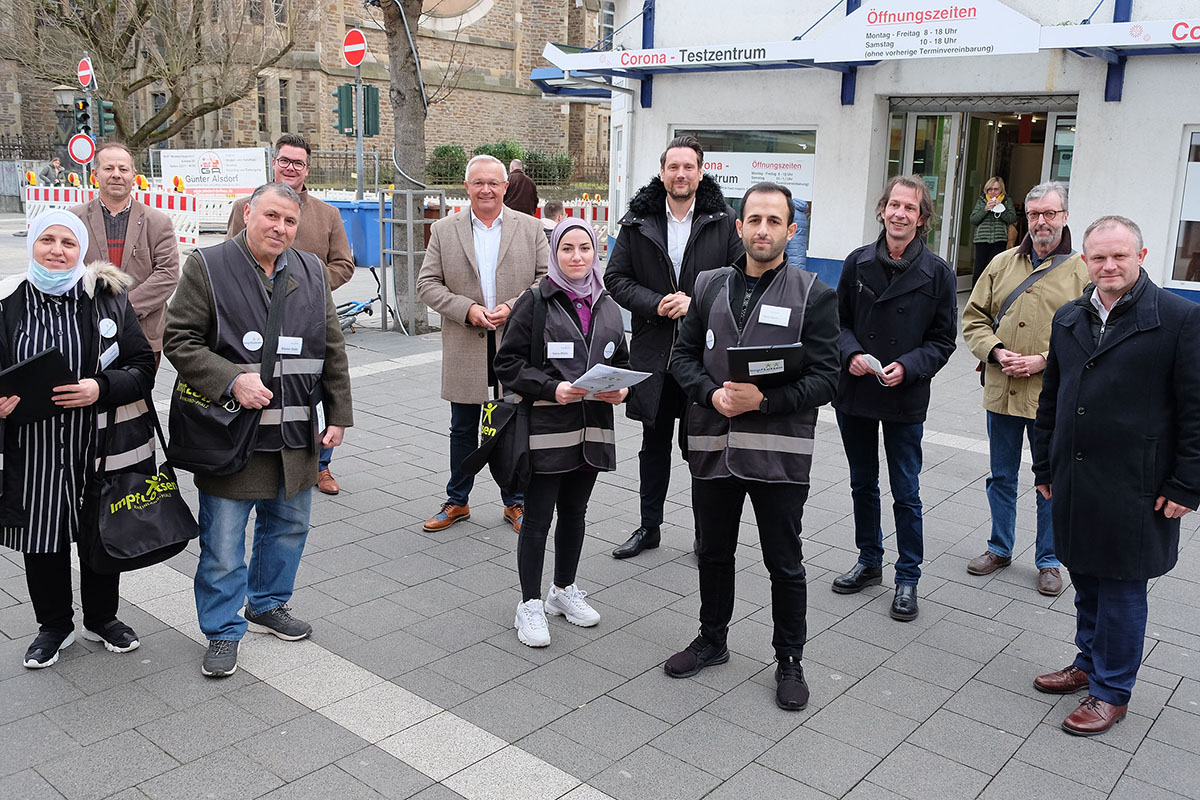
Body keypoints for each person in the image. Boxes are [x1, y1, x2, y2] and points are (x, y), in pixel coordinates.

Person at [163, 182, 353, 678]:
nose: (280, 228)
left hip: (294, 435)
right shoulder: (208, 266)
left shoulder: (311, 270)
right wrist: (231, 380)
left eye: (290, 221)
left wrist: (337, 414)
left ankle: (267, 603)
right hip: (231, 435)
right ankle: (223, 630)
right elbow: (178, 339)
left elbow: (332, 348)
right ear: (249, 213)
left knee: (288, 528)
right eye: (271, 216)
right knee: (224, 544)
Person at [663, 182, 838, 710]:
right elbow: (681, 358)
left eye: (774, 221)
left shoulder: (815, 295)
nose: (763, 230)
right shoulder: (710, 285)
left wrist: (761, 401)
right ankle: (712, 639)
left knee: (784, 561)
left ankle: (789, 658)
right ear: (739, 228)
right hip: (712, 445)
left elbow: (828, 380)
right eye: (754, 220)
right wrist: (711, 394)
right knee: (713, 552)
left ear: (791, 229)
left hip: (778, 454)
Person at [1031, 215, 1200, 736]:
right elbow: (1051, 400)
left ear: (1141, 257)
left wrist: (1187, 484)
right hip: (1076, 477)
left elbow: (1195, 409)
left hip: (1139, 484)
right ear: (1084, 259)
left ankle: (1112, 691)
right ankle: (1087, 663)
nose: (1108, 266)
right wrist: (1044, 464)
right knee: (1086, 578)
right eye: (1098, 257)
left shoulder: (1177, 319)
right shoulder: (1068, 318)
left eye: (1119, 256)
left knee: (1123, 589)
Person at [0, 210, 155, 668]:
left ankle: (102, 618)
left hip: (98, 443)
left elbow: (142, 367)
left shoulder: (107, 298)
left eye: (68, 242)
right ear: (31, 243)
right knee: (42, 535)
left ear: (82, 250)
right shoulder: (8, 301)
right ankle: (53, 625)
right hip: (34, 445)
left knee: (99, 532)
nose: (57, 250)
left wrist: (99, 388)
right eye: (47, 239)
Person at [493, 218, 631, 647]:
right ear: (554, 253)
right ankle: (529, 605)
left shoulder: (607, 303)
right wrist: (553, 387)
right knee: (538, 520)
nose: (577, 257)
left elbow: (619, 357)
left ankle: (563, 591)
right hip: (547, 428)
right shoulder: (535, 301)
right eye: (567, 248)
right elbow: (508, 365)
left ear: (596, 253)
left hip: (591, 428)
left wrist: (621, 390)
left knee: (575, 514)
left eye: (585, 249)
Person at [603, 134, 743, 559]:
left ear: (701, 172)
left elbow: (741, 276)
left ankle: (705, 533)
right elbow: (615, 278)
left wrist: (695, 302)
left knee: (700, 447)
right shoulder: (637, 220)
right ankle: (649, 527)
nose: (680, 174)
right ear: (662, 172)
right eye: (673, 167)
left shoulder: (723, 219)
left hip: (704, 357)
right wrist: (655, 303)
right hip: (654, 353)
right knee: (653, 445)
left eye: (689, 167)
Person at [829, 176, 957, 622]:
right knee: (862, 482)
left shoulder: (937, 272)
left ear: (922, 219)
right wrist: (852, 354)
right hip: (856, 391)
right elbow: (836, 324)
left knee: (907, 491)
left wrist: (910, 365)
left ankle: (908, 576)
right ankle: (869, 560)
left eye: (911, 208)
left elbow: (943, 340)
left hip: (904, 396)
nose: (901, 214)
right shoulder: (856, 262)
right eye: (894, 205)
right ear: (883, 210)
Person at [962, 181, 1088, 596]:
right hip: (1001, 389)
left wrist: (1043, 361)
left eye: (1050, 213)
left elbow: (1093, 334)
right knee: (1000, 475)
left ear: (1065, 217)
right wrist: (996, 352)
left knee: (1048, 478)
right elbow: (973, 318)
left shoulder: (1082, 271)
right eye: (1034, 214)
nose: (1042, 222)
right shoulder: (1000, 264)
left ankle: (1049, 560)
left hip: (1051, 397)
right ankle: (999, 547)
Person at [416, 155, 548, 534]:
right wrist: (467, 308)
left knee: (513, 425)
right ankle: (457, 500)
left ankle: (515, 501)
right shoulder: (444, 229)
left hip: (515, 342)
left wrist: (514, 306)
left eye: (494, 182)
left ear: (506, 186)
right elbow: (428, 284)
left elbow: (545, 278)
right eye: (479, 183)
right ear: (466, 186)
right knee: (463, 428)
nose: (486, 189)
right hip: (465, 342)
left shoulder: (531, 228)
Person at [227, 134, 355, 495]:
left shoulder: (327, 214)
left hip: (307, 319)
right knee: (256, 385)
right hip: (253, 318)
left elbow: (344, 264)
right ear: (274, 163)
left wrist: (309, 289)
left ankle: (320, 465)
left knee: (309, 390)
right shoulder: (244, 207)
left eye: (297, 163)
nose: (290, 168)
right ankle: (250, 453)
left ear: (307, 169)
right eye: (284, 160)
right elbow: (227, 258)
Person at [70, 142, 180, 370]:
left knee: (138, 399)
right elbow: (64, 268)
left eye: (123, 169)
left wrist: (125, 307)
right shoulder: (74, 220)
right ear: (95, 174)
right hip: (87, 328)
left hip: (143, 330)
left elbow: (168, 274)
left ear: (133, 175)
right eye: (108, 168)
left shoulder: (157, 222)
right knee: (93, 394)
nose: (116, 175)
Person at [968, 176, 1019, 285]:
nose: (992, 192)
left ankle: (991, 297)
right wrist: (986, 209)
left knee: (995, 270)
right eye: (989, 189)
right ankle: (975, 296)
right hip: (982, 240)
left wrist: (1001, 209)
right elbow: (973, 219)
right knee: (979, 271)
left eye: (996, 189)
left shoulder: (1006, 200)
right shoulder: (982, 200)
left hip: (999, 240)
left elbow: (1012, 218)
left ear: (1001, 189)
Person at [784, 196, 810, 271]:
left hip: (791, 253)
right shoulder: (802, 214)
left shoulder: (791, 213)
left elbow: (787, 236)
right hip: (800, 251)